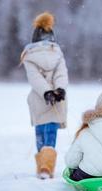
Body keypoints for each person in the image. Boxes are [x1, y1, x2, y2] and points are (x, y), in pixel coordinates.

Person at [20, 12, 68, 179]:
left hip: (40, 100)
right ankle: (46, 168)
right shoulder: (58, 53)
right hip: (57, 100)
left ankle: (43, 167)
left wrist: (46, 92)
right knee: (51, 133)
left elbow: (34, 78)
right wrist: (59, 89)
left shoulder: (29, 56)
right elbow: (61, 74)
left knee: (41, 133)